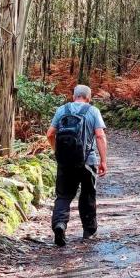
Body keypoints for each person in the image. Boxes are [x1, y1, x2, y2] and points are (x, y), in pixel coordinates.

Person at [47, 85, 109, 247]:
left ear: (73, 96)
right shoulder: (93, 111)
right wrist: (103, 161)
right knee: (88, 194)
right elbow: (100, 136)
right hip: (88, 161)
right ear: (89, 97)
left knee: (63, 196)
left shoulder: (62, 109)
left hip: (65, 161)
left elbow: (50, 134)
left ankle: (60, 225)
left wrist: (58, 152)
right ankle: (89, 231)